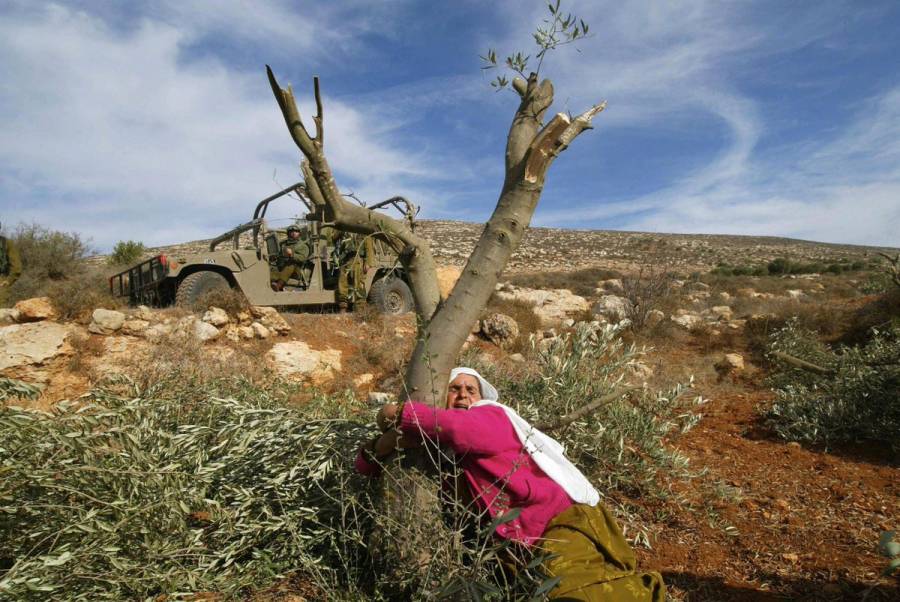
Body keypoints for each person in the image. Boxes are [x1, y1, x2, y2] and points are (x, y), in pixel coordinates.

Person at [356, 368, 665, 601]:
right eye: (454, 388)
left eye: (470, 388)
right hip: (525, 543)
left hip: (561, 523)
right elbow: (364, 468)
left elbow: (463, 432)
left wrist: (396, 413)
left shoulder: (491, 415)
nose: (463, 395)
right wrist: (381, 445)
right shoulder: (442, 449)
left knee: (570, 592)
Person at [335, 232, 374, 311]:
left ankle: (360, 308)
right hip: (345, 260)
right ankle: (343, 306)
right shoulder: (343, 230)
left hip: (358, 260)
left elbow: (369, 247)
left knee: (359, 284)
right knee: (342, 284)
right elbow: (334, 238)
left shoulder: (361, 230)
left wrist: (368, 263)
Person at [271, 224, 311, 291]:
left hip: (298, 270)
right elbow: (280, 256)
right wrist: (275, 257)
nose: (294, 233)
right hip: (283, 267)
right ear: (288, 233)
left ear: (299, 233)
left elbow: (303, 258)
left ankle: (279, 285)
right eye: (291, 232)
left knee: (291, 264)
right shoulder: (283, 244)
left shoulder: (303, 245)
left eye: (296, 231)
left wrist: (292, 254)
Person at [0, 222, 22, 307]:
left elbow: (16, 267)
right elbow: (16, 267)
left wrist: (8, 281)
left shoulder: (6, 243)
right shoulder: (6, 242)